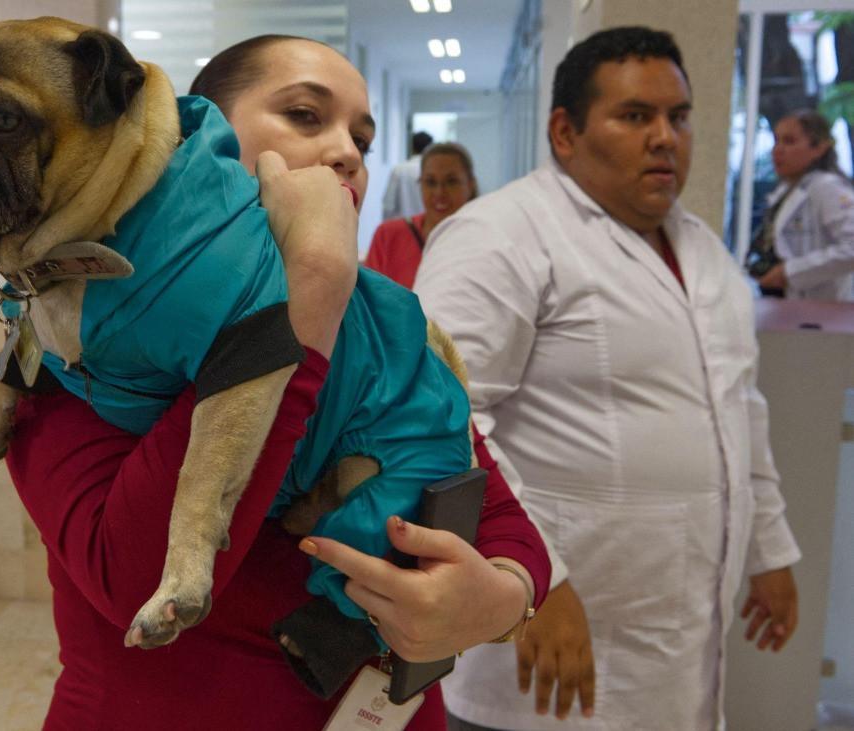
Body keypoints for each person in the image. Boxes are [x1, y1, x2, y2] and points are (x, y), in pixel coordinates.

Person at [4, 33, 550, 730]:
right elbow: (140, 582)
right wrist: (308, 285)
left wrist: (499, 600)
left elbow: (495, 512)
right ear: (193, 136)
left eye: (361, 135)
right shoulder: (75, 335)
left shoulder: (381, 327)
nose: (347, 152)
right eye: (303, 115)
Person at [415, 26, 802, 731]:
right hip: (544, 640)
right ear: (564, 131)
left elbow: (739, 413)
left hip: (679, 642)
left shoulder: (706, 252)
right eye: (634, 116)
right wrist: (535, 578)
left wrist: (769, 551)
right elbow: (440, 412)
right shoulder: (500, 235)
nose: (664, 137)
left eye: (677, 118)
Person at [750, 108, 854, 300]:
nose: (777, 150)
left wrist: (790, 273)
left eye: (789, 141)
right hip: (790, 306)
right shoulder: (785, 191)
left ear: (819, 148)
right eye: (776, 140)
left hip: (826, 310)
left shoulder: (828, 187)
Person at [365, 142, 478, 288]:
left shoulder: (484, 241)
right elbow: (370, 300)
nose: (439, 193)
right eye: (430, 182)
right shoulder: (388, 236)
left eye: (451, 181)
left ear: (471, 184)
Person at [382, 130, 433, 220]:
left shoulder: (399, 170)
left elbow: (388, 206)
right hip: (430, 228)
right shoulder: (433, 170)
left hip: (403, 227)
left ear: (412, 147)